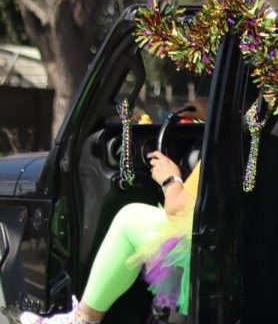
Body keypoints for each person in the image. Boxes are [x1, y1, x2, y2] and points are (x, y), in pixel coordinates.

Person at [22, 100, 208, 324]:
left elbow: (179, 210)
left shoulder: (227, 141)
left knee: (129, 219)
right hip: (240, 256)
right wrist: (211, 109)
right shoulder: (254, 134)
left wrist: (171, 180)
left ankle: (82, 319)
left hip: (207, 253)